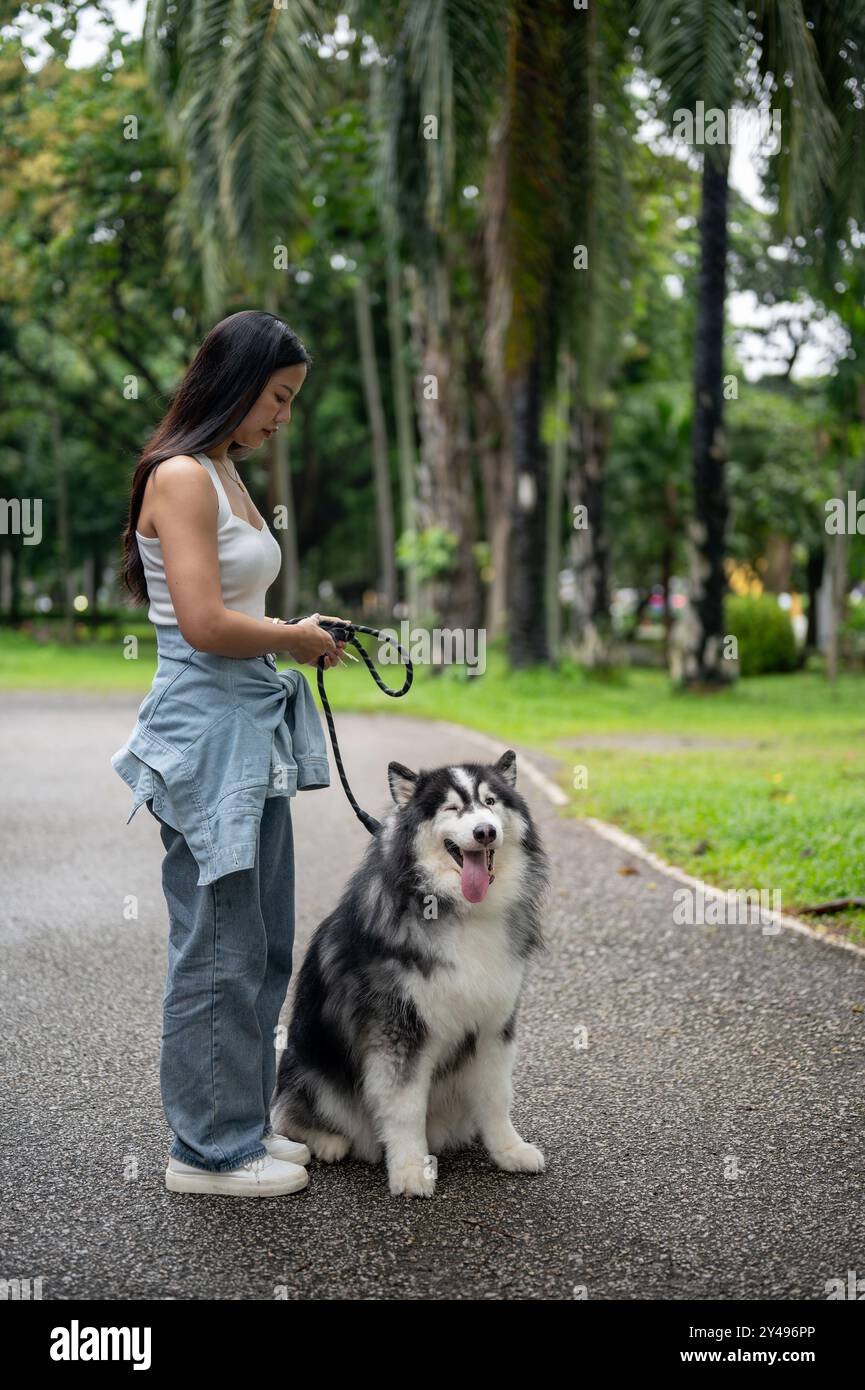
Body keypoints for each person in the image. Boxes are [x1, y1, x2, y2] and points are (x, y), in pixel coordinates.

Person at [111, 308, 350, 1198]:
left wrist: (295, 636)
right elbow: (206, 625)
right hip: (208, 735)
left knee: (260, 944)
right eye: (277, 397)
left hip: (252, 733)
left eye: (291, 401)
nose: (282, 416)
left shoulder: (223, 472)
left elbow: (236, 607)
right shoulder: (180, 476)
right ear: (237, 381)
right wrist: (291, 636)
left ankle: (242, 1125)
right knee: (216, 948)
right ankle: (207, 1154)